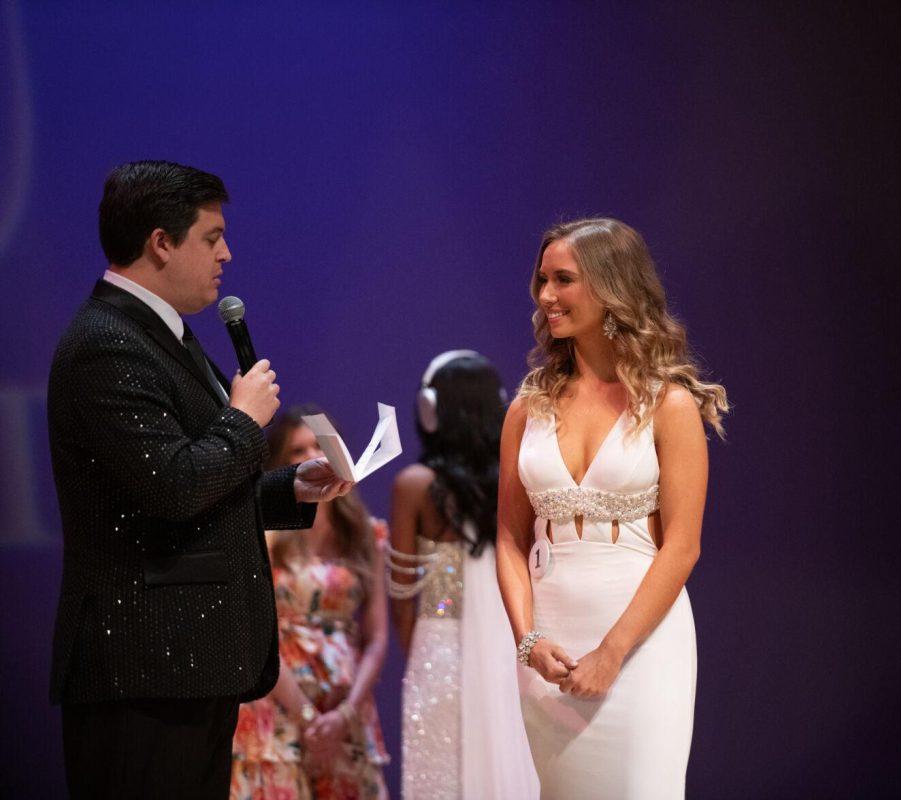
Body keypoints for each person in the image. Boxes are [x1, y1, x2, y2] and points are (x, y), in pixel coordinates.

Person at [47, 160, 354, 799]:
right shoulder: (107, 342)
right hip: (145, 666)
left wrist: (291, 486)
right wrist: (244, 419)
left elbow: (188, 492)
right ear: (161, 242)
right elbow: (173, 485)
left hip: (188, 667)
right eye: (212, 237)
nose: (227, 253)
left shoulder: (165, 335)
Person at [495, 218, 728, 799]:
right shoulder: (527, 409)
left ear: (612, 285)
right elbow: (508, 539)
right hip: (551, 650)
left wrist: (612, 652)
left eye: (564, 280)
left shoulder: (668, 404)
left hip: (643, 646)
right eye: (542, 280)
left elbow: (682, 546)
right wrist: (528, 641)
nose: (546, 295)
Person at [388, 351, 539, 799]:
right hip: (516, 651)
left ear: (430, 411)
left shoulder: (414, 486)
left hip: (439, 656)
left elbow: (401, 592)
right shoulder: (525, 481)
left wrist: (421, 659)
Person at [230, 406, 391, 799]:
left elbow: (376, 637)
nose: (310, 458)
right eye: (295, 452)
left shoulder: (365, 535)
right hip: (277, 704)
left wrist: (344, 715)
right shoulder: (265, 532)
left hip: (342, 711)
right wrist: (306, 716)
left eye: (318, 446)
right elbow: (253, 628)